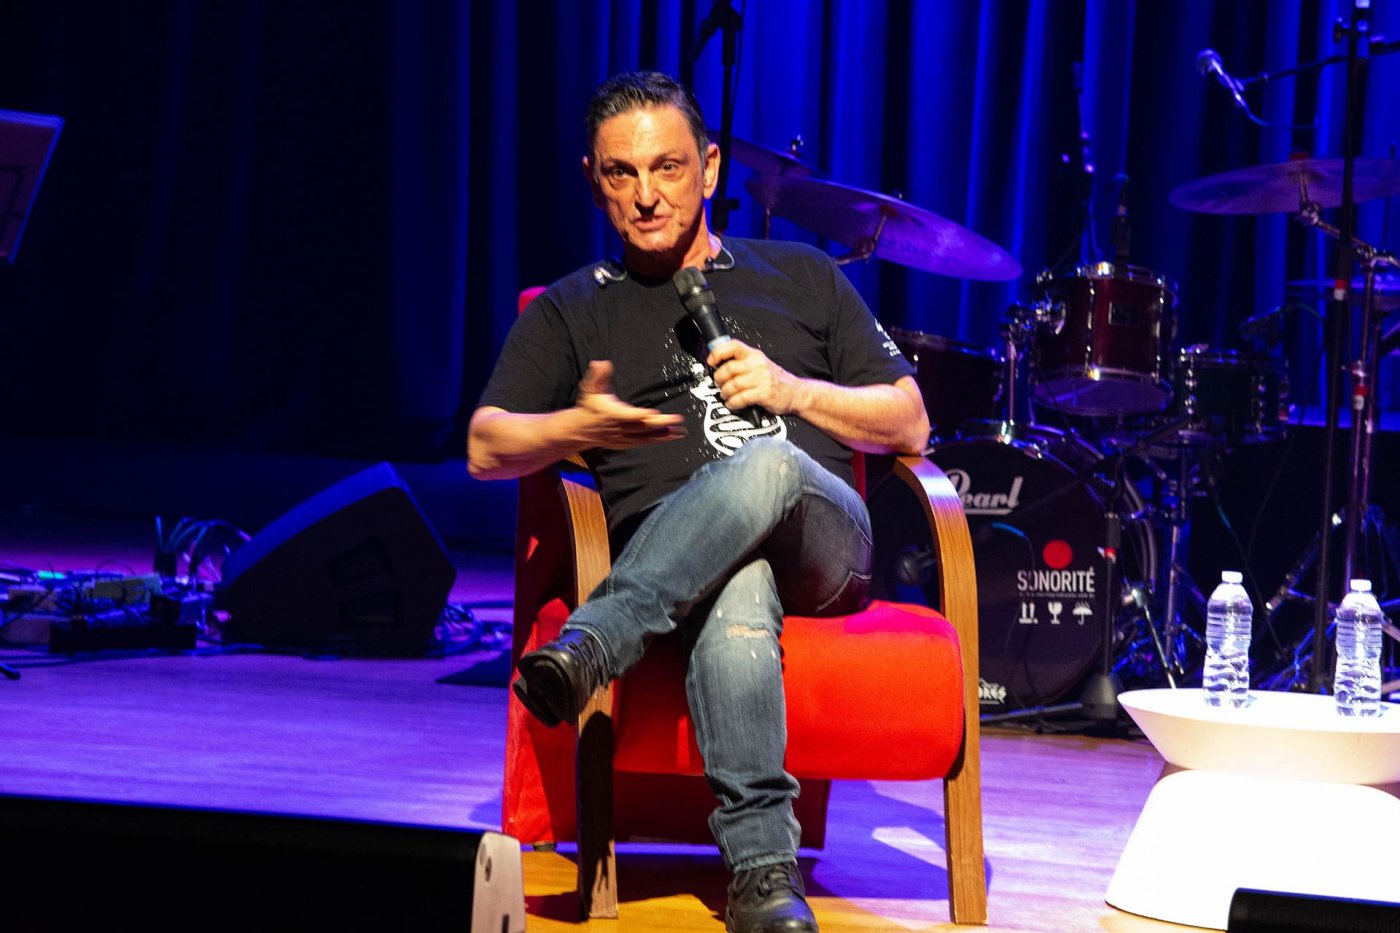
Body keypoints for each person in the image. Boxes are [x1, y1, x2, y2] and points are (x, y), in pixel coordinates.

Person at [468, 71, 928, 933]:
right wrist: (577, 425)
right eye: (621, 173)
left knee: (769, 462)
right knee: (736, 581)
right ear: (594, 180)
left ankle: (596, 641)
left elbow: (911, 421)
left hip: (821, 542)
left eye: (668, 167)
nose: (646, 195)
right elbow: (484, 445)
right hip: (680, 565)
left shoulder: (802, 275)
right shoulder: (572, 309)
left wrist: (792, 390)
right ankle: (762, 877)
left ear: (710, 169)